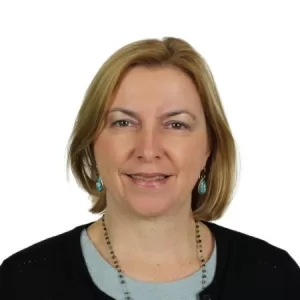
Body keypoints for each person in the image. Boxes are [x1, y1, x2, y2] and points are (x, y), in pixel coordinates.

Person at [0, 37, 299, 300]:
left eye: (176, 124)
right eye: (123, 122)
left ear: (209, 148)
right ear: (92, 142)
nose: (148, 150)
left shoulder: (276, 277)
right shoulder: (21, 282)